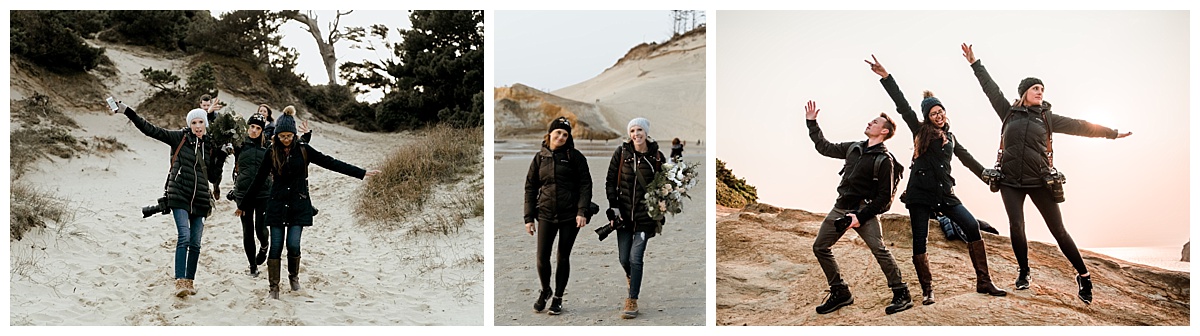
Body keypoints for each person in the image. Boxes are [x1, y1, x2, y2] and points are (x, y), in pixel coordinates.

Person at [962, 43, 1132, 304]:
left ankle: (1084, 276)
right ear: (1024, 93)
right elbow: (990, 88)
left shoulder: (1048, 118)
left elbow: (1081, 126)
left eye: (1042, 89)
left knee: (1059, 231)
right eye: (1035, 88)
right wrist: (975, 63)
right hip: (1009, 181)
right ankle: (1024, 272)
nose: (1040, 92)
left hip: (1040, 180)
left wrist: (1111, 133)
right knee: (1016, 227)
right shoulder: (1008, 112)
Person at [866, 55, 1008, 306]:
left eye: (940, 111)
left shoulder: (950, 137)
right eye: (933, 113)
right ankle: (928, 291)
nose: (938, 115)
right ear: (927, 117)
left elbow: (968, 160)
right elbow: (902, 106)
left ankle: (984, 281)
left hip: (945, 193)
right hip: (920, 194)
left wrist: (987, 176)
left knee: (972, 226)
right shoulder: (920, 130)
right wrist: (886, 77)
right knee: (920, 241)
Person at [234, 106, 380, 300]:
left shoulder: (303, 149)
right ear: (276, 136)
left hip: (298, 204)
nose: (285, 140)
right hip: (277, 204)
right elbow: (258, 180)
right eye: (282, 136)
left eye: (289, 136)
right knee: (276, 246)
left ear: (294, 135)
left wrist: (360, 172)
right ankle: (274, 288)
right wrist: (242, 204)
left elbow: (330, 162)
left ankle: (294, 278)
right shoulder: (271, 152)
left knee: (293, 244)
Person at [804, 100, 912, 315]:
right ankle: (840, 291)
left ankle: (901, 293)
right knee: (820, 247)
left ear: (884, 131)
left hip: (864, 211)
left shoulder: (885, 160)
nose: (869, 123)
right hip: (840, 206)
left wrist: (860, 217)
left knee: (879, 250)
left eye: (875, 122)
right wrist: (812, 123)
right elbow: (824, 147)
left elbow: (885, 200)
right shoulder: (854, 147)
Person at [114, 102, 227, 297]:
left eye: (201, 122)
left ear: (206, 124)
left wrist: (222, 156)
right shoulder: (179, 138)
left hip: (200, 199)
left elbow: (213, 177)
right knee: (184, 236)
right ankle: (179, 281)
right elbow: (150, 130)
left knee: (196, 243)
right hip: (179, 195)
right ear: (189, 124)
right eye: (194, 122)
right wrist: (128, 112)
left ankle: (189, 282)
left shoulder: (209, 145)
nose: (198, 126)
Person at [523, 116, 592, 315]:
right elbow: (530, 188)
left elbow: (585, 185)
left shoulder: (575, 157)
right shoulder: (539, 158)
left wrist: (582, 211)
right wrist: (528, 218)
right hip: (544, 214)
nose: (561, 137)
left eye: (565, 134)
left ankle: (558, 298)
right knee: (542, 258)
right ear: (550, 134)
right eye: (558, 133)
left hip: (571, 216)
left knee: (563, 257)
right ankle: (546, 290)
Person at [228, 113, 310, 277]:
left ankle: (264, 246)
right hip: (244, 193)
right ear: (247, 127)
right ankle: (252, 267)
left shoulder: (268, 147)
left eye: (258, 128)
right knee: (247, 230)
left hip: (265, 193)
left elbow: (293, 148)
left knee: (260, 228)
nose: (254, 130)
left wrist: (307, 136)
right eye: (251, 127)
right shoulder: (239, 145)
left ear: (262, 130)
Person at [605, 117, 668, 319]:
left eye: (639, 129)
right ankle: (631, 277)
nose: (636, 134)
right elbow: (610, 181)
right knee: (624, 258)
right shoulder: (622, 153)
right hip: (623, 216)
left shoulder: (657, 157)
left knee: (636, 257)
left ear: (646, 132)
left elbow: (665, 187)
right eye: (632, 130)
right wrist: (613, 207)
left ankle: (632, 299)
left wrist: (661, 206)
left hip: (645, 218)